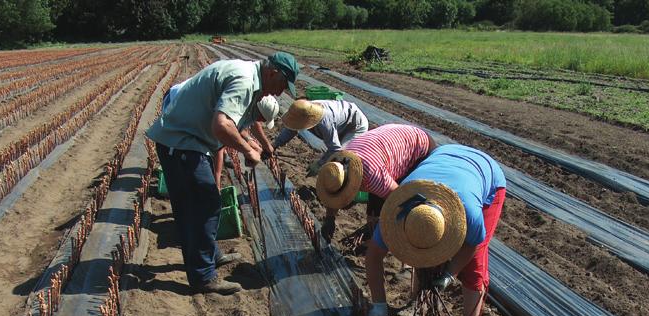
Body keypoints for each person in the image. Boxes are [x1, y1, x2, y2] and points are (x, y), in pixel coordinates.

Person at [146, 52, 299, 295]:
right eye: (282, 85)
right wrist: (248, 150)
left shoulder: (249, 76)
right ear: (273, 72)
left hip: (188, 142)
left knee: (203, 204)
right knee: (203, 205)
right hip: (183, 143)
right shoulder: (245, 80)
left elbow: (232, 125)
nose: (279, 93)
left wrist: (250, 143)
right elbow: (221, 125)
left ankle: (211, 256)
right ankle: (203, 277)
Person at [364, 144, 507, 316]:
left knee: (473, 265)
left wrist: (450, 273)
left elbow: (473, 245)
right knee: (421, 250)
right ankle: (415, 301)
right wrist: (379, 304)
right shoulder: (397, 211)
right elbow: (373, 256)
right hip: (444, 156)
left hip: (486, 175)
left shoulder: (470, 213)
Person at [315, 124, 437, 241]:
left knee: (400, 203)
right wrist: (329, 219)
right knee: (375, 202)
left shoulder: (375, 176)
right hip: (387, 143)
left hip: (419, 146)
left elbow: (400, 199)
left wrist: (378, 235)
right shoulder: (338, 162)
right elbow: (334, 189)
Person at [273, 99, 368, 175]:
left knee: (343, 157)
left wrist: (319, 164)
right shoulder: (304, 110)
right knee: (336, 156)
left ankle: (343, 188)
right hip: (341, 122)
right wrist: (275, 144)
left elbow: (335, 149)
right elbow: (291, 129)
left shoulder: (325, 123)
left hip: (355, 125)